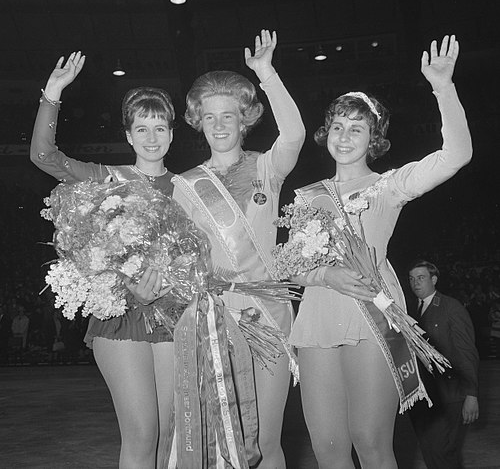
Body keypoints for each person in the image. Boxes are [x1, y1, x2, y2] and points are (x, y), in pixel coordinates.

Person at [287, 35, 472, 468]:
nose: (345, 135)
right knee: (327, 450)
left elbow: (458, 154)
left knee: (370, 441)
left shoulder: (388, 185)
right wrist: (324, 276)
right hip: (316, 319)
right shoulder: (306, 196)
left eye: (357, 128)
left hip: (370, 314)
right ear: (325, 134)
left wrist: (443, 87)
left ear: (374, 138)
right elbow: (292, 266)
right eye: (337, 126)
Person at [31, 52, 176, 468]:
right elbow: (43, 156)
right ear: (128, 135)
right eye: (142, 128)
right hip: (121, 317)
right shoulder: (107, 178)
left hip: (174, 316)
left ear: (172, 133)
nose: (152, 137)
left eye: (160, 127)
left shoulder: (189, 186)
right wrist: (53, 94)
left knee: (170, 434)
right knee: (142, 434)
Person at [172, 29, 306, 468]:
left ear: (246, 119)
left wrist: (266, 73)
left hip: (268, 313)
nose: (220, 125)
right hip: (215, 318)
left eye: (229, 115)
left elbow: (295, 133)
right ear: (198, 122)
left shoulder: (268, 168)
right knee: (225, 439)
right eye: (210, 117)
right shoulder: (184, 186)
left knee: (264, 441)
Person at [408, 260, 479, 469]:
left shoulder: (451, 307)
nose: (415, 283)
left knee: (443, 453)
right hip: (423, 396)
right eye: (411, 279)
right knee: (431, 452)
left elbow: (467, 354)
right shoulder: (411, 310)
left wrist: (472, 395)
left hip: (450, 395)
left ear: (434, 279)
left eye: (421, 278)